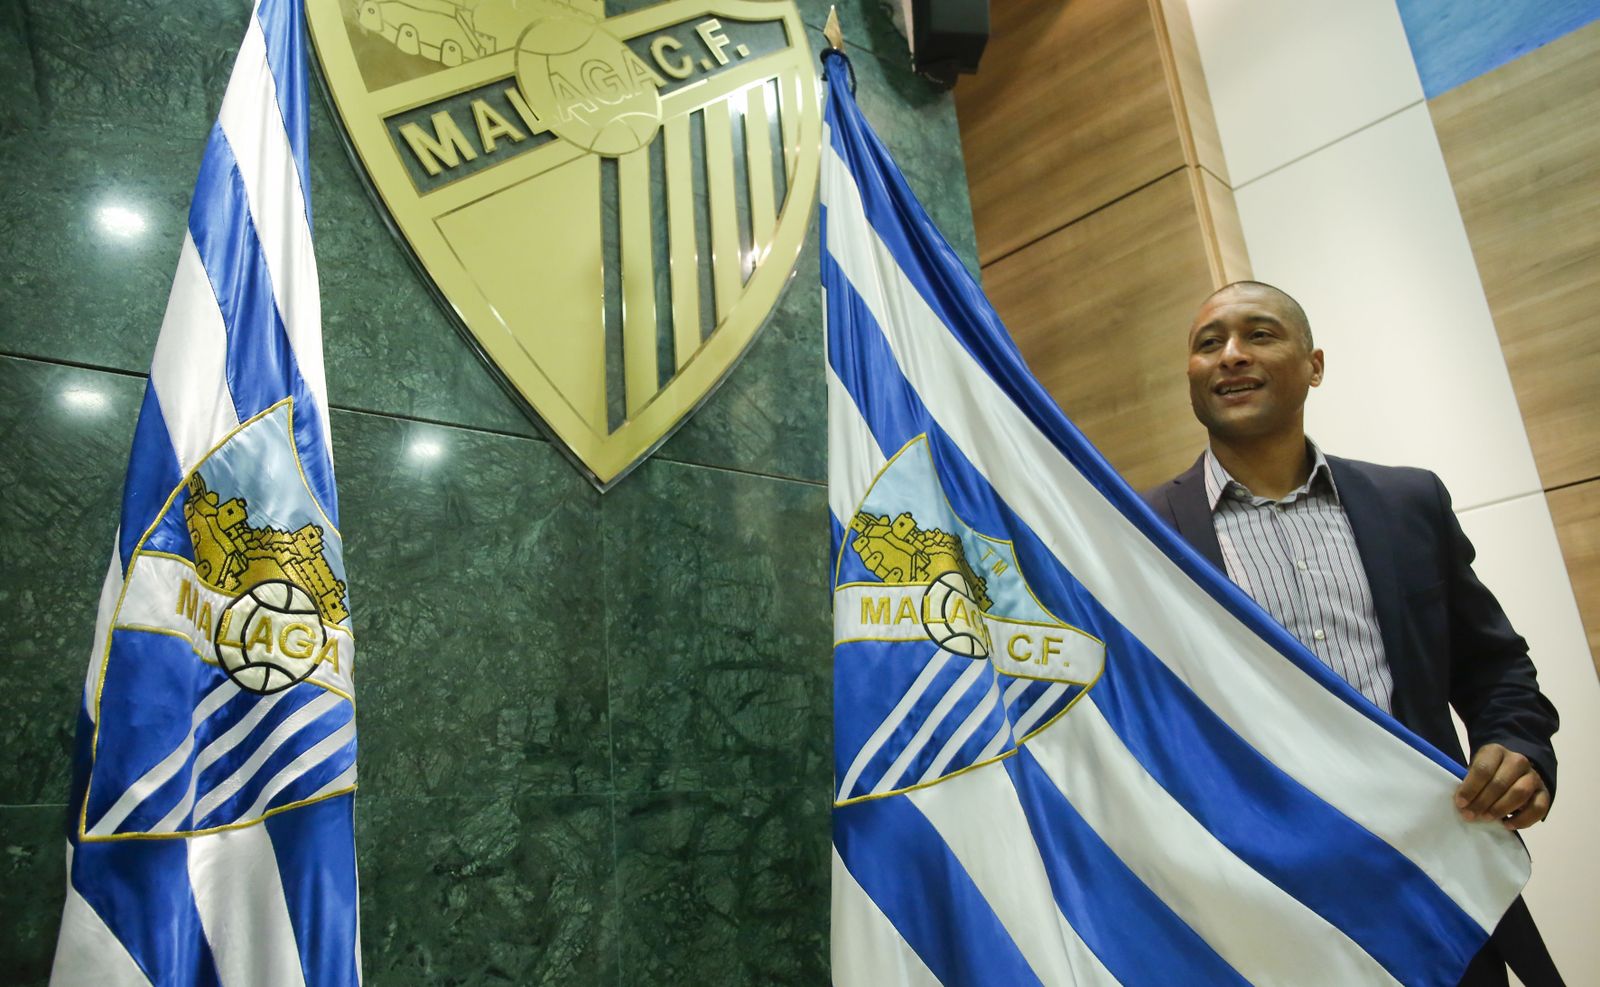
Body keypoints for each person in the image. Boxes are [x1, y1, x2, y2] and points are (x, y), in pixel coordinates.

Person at [1141, 281, 1562, 987]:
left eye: (1260, 334)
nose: (1231, 356)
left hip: (1432, 889)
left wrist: (1518, 747)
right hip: (1260, 911)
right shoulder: (1143, 532)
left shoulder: (1409, 503)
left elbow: (1495, 666)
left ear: (1315, 364)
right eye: (1208, 343)